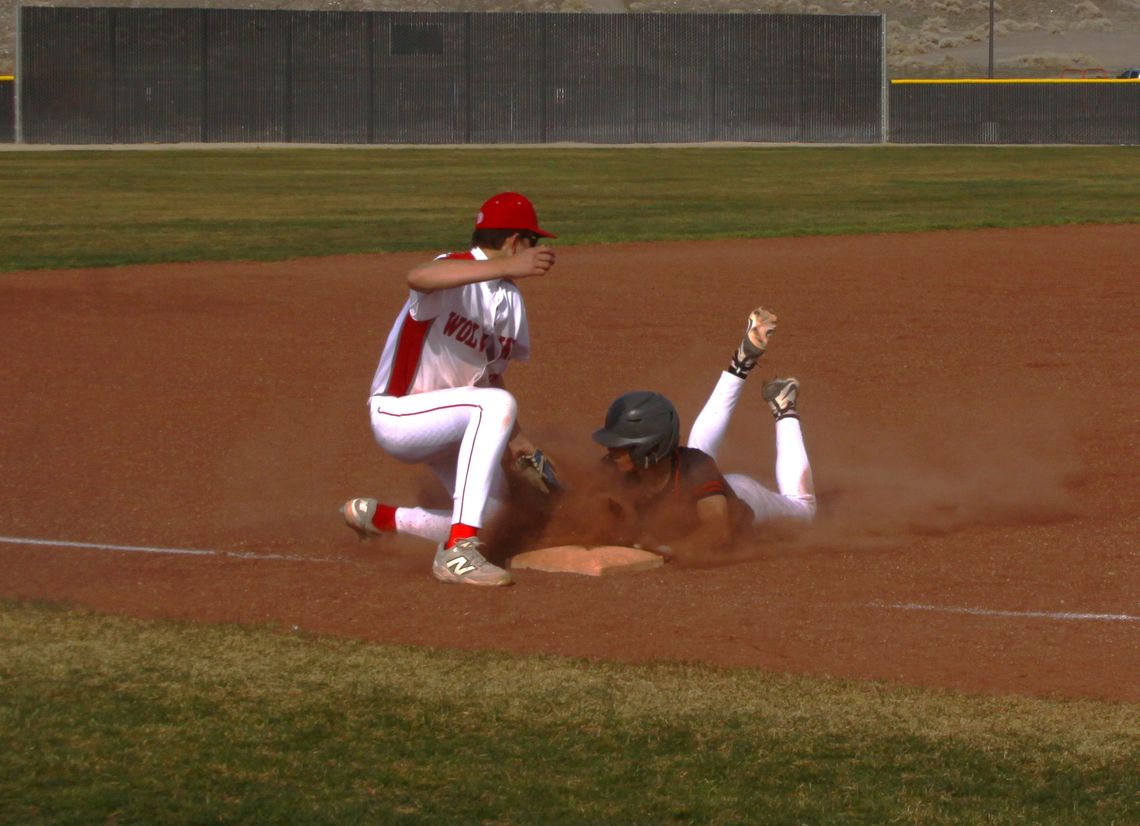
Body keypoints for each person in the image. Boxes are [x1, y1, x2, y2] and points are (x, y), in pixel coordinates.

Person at [342, 192, 557, 587]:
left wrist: (522, 443)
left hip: (451, 422)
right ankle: (459, 553)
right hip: (399, 415)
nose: (536, 251)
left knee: (494, 509)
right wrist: (512, 266)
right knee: (495, 405)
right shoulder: (453, 270)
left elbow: (489, 377)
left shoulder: (509, 299)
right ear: (514, 242)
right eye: (533, 241)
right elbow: (418, 276)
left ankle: (383, 519)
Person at [590, 307, 816, 557]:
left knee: (804, 511)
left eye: (623, 446)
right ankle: (739, 365)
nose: (612, 451)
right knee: (697, 455)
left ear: (650, 447)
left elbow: (717, 532)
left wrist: (665, 550)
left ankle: (785, 407)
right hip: (698, 482)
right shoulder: (614, 467)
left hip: (743, 498)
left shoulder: (694, 468)